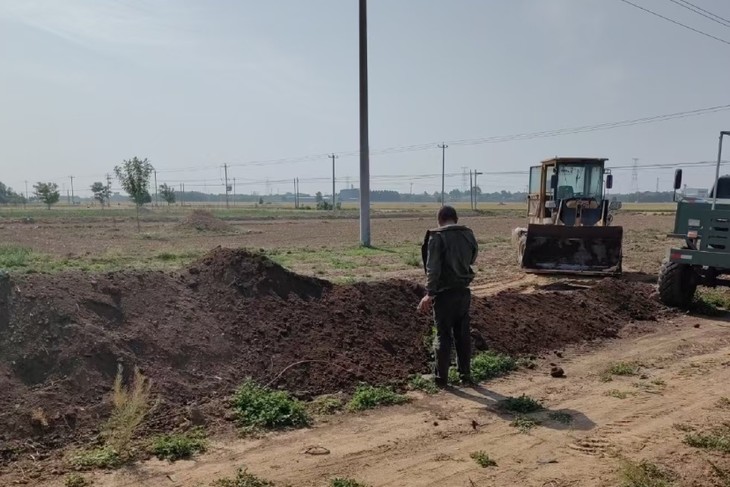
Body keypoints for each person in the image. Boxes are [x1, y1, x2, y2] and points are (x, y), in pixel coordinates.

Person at [417, 205, 478, 388]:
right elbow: (472, 258)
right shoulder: (468, 234)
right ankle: (465, 375)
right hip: (463, 292)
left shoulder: (437, 237)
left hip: (444, 295)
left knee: (443, 335)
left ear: (439, 219)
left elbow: (433, 268)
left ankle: (441, 379)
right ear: (456, 218)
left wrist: (429, 293)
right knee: (462, 334)